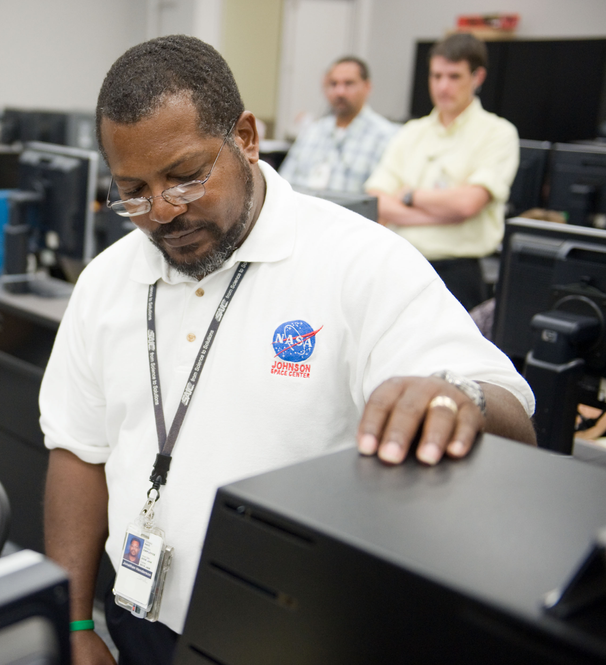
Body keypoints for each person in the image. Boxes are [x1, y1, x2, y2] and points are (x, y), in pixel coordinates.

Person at [39, 35, 536, 665]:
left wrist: (457, 397)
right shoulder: (106, 281)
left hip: (298, 638)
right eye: (133, 190)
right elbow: (78, 451)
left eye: (187, 178)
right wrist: (76, 625)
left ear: (245, 137)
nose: (162, 211)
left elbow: (516, 428)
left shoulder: (359, 261)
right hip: (140, 617)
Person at [365, 33, 520, 312]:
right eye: (436, 76)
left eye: (454, 76)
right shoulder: (411, 132)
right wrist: (442, 211)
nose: (443, 86)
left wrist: (410, 196)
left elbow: (467, 204)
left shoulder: (498, 133)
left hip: (457, 273)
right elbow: (376, 199)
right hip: (399, 262)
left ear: (478, 77)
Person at [278, 56, 398, 194]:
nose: (340, 92)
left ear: (367, 87)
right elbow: (283, 184)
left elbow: (382, 198)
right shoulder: (312, 132)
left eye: (349, 83)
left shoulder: (386, 136)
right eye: (333, 84)